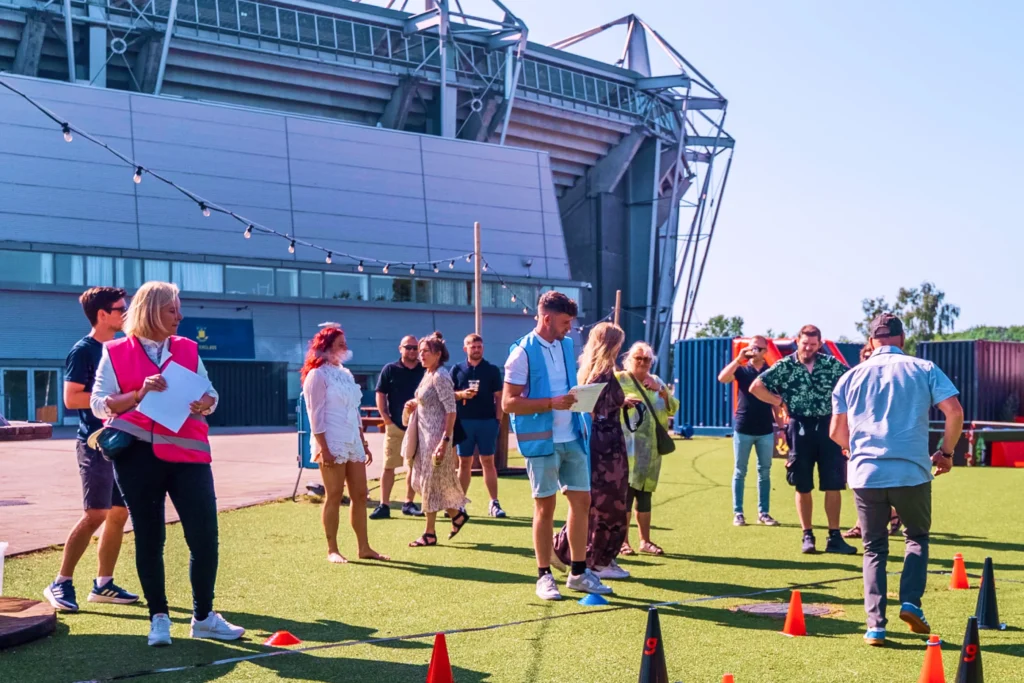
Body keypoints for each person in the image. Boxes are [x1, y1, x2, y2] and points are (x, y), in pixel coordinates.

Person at [90, 281, 244, 647]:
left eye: (179, 309)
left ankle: (203, 616)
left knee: (205, 536)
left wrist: (205, 403)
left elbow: (212, 393)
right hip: (137, 456)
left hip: (189, 454)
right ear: (151, 310)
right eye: (173, 309)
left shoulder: (188, 348)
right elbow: (98, 404)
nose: (180, 316)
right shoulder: (113, 351)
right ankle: (158, 618)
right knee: (149, 536)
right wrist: (138, 394)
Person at [830, 314, 964, 646]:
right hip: (911, 472)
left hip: (865, 473)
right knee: (916, 537)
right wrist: (945, 453)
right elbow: (955, 412)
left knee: (874, 547)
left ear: (872, 341)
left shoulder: (850, 376)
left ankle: (875, 625)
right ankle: (910, 602)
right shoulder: (924, 369)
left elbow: (836, 432)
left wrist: (854, 448)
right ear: (902, 338)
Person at [503, 291, 611, 600]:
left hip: (573, 436)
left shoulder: (565, 345)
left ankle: (578, 572)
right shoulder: (520, 352)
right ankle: (543, 576)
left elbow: (565, 388)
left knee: (582, 503)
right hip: (541, 442)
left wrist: (582, 399)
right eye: (565, 323)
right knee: (545, 507)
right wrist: (552, 402)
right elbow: (509, 404)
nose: (569, 329)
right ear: (547, 318)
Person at [43, 287, 139, 612]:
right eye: (120, 309)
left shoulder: (123, 349)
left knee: (119, 513)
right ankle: (60, 582)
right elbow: (71, 399)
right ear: (102, 315)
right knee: (95, 513)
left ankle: (103, 584)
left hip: (122, 443)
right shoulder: (83, 350)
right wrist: (118, 400)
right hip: (94, 442)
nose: (126, 314)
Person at [750, 325, 857, 555]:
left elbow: (854, 382)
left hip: (829, 427)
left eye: (813, 344)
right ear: (797, 341)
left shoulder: (830, 365)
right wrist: (778, 402)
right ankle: (807, 535)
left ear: (820, 344)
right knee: (802, 483)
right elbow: (756, 387)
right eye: (804, 343)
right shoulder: (785, 366)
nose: (808, 348)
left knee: (834, 484)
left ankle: (834, 537)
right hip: (799, 427)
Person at [301, 325, 389, 564]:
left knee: (360, 494)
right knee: (334, 494)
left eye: (344, 343)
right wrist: (323, 448)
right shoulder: (317, 375)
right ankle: (333, 549)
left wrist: (363, 441)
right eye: (340, 343)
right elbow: (314, 415)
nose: (345, 347)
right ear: (326, 346)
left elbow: (354, 410)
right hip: (331, 442)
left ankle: (364, 547)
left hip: (352, 441)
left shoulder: (346, 374)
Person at [552, 322, 634, 580]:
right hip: (604, 443)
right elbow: (588, 407)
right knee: (608, 501)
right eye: (618, 342)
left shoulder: (597, 371)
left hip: (607, 439)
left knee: (606, 500)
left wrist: (621, 403)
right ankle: (595, 558)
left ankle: (595, 556)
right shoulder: (601, 373)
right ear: (612, 344)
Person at [405, 332, 470, 547]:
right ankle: (456, 514)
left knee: (429, 483)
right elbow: (427, 399)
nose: (420, 355)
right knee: (420, 481)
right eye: (420, 351)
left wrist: (445, 440)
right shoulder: (428, 374)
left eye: (425, 352)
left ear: (438, 354)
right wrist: (414, 404)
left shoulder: (441, 376)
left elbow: (451, 410)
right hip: (423, 436)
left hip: (436, 437)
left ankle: (429, 533)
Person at [618, 342, 679, 556]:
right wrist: (622, 401)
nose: (643, 363)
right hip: (627, 448)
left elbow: (673, 407)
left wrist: (661, 391)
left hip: (651, 450)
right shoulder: (619, 380)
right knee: (626, 496)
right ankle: (622, 542)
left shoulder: (657, 381)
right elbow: (603, 405)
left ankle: (645, 541)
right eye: (638, 358)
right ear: (628, 359)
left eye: (647, 359)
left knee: (645, 495)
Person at [717, 335, 782, 527]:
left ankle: (764, 513)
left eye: (760, 349)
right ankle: (738, 513)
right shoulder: (742, 369)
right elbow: (722, 378)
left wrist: (781, 427)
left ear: (766, 351)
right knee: (740, 471)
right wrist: (738, 359)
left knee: (765, 472)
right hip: (743, 427)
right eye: (752, 348)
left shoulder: (770, 372)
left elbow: (776, 403)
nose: (755, 352)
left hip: (765, 429)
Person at [843, 343, 901, 540]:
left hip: (885, 440)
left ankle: (872, 522)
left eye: (871, 354)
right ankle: (880, 518)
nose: (869, 357)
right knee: (860, 483)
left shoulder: (890, 378)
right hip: (859, 440)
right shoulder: (855, 379)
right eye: (865, 355)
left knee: (881, 483)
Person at [450, 334, 506, 518]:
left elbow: (499, 396)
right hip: (464, 422)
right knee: (464, 463)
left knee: (487, 461)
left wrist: (497, 420)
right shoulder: (457, 369)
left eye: (479, 346)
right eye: (472, 346)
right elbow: (448, 395)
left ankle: (494, 503)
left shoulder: (491, 370)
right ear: (465, 348)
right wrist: (462, 394)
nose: (476, 349)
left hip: (487, 422)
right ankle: (460, 503)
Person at [372, 335, 425, 519]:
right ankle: (383, 505)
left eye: (415, 348)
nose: (412, 351)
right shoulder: (390, 369)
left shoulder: (424, 369)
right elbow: (380, 393)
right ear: (400, 348)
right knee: (389, 465)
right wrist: (385, 417)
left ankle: (408, 503)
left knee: (413, 466)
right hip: (395, 425)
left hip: (418, 426)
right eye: (408, 347)